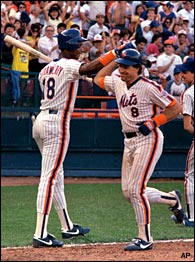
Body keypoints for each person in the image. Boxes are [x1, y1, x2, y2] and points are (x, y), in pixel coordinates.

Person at [31, 28, 128, 248]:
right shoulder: (68, 65)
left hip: (40, 121)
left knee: (57, 174)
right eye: (77, 45)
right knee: (49, 177)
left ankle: (67, 226)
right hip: (56, 123)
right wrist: (114, 53)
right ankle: (40, 233)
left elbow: (79, 70)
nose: (80, 48)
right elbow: (90, 68)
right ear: (69, 47)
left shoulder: (46, 69)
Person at [94, 48, 185, 251]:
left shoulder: (148, 86)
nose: (121, 70)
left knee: (136, 190)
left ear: (138, 68)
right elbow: (98, 78)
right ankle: (172, 198)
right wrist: (112, 55)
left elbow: (175, 107)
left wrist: (155, 122)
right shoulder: (117, 82)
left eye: (126, 66)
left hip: (147, 139)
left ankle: (144, 238)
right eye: (120, 66)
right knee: (129, 193)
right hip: (128, 141)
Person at [171, 57, 194, 227]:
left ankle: (192, 218)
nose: (182, 75)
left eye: (185, 72)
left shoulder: (188, 93)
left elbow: (187, 126)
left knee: (190, 176)